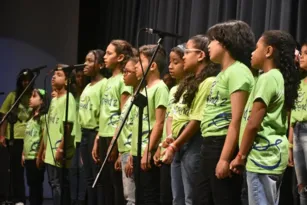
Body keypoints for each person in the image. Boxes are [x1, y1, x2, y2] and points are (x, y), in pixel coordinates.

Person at [230, 30, 300, 205]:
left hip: (261, 158)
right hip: (271, 155)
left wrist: (241, 155)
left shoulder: (268, 78)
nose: (252, 53)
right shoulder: (277, 77)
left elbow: (253, 123)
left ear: (268, 51)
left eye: (256, 48)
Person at [194, 20, 255, 205]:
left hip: (222, 144)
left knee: (224, 198)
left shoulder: (238, 72)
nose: (208, 45)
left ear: (226, 42)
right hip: (208, 143)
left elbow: (236, 120)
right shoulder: (222, 73)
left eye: (212, 40)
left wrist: (224, 158)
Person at [161, 36, 220, 205]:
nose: (184, 56)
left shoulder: (208, 82)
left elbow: (196, 120)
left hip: (192, 143)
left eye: (187, 52)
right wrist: (170, 136)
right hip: (178, 143)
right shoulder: (187, 82)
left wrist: (175, 144)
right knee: (177, 198)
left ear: (201, 55)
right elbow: (174, 114)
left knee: (191, 198)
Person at [92, 40, 133, 205]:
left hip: (114, 137)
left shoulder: (123, 80)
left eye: (109, 54)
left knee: (116, 185)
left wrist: (115, 144)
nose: (105, 57)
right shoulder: (108, 81)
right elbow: (105, 112)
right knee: (106, 184)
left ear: (120, 57)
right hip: (104, 135)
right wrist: (97, 138)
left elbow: (124, 114)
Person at [129, 44, 169, 205]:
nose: (136, 66)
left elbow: (159, 123)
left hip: (148, 150)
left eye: (140, 62)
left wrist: (148, 151)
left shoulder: (160, 88)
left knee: (149, 195)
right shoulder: (143, 89)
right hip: (138, 149)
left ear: (152, 66)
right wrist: (133, 152)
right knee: (139, 195)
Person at [153, 44, 186, 205]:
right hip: (169, 145)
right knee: (171, 196)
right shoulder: (173, 90)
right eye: (170, 62)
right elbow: (169, 118)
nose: (170, 67)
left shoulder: (193, 87)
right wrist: (163, 145)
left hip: (184, 146)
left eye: (176, 62)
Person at [0, 69, 35, 205]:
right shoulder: (13, 96)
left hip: (31, 137)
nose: (25, 82)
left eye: (28, 80)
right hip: (15, 137)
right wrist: (2, 135)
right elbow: (4, 115)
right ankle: (18, 199)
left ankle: (32, 199)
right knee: (16, 170)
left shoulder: (35, 95)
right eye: (23, 80)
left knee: (31, 170)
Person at [44, 66, 77, 205]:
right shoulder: (54, 99)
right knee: (53, 183)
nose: (53, 76)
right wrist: (45, 147)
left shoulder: (68, 98)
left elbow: (68, 126)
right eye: (54, 74)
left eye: (58, 74)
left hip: (59, 148)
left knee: (59, 184)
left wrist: (61, 148)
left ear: (67, 81)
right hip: (50, 150)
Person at [78, 49, 108, 205]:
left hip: (95, 133)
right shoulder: (88, 85)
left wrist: (97, 135)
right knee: (88, 177)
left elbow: (104, 112)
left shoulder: (104, 84)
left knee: (97, 178)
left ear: (101, 65)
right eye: (85, 60)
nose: (85, 64)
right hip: (84, 134)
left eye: (90, 61)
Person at [111, 56, 140, 205]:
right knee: (127, 195)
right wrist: (120, 153)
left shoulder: (139, 99)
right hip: (125, 152)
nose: (124, 74)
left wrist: (129, 155)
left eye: (127, 71)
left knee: (131, 198)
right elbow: (124, 125)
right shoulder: (130, 98)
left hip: (132, 152)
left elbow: (136, 129)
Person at [288, 39, 307, 205]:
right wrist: (290, 146)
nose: (301, 57)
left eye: (306, 54)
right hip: (298, 132)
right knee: (302, 186)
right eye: (301, 53)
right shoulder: (300, 84)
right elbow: (293, 118)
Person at [22, 88, 48, 205]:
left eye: (34, 96)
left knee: (36, 186)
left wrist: (39, 154)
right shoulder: (30, 118)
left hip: (35, 157)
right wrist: (23, 153)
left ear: (42, 101)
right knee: (31, 184)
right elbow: (27, 137)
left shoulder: (43, 117)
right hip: (28, 157)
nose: (30, 99)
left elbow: (44, 136)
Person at [70, 68, 89, 205]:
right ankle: (73, 199)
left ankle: (81, 200)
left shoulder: (86, 93)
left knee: (82, 171)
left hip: (83, 136)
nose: (80, 79)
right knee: (73, 170)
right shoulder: (72, 96)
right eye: (77, 76)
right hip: (72, 137)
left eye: (82, 76)